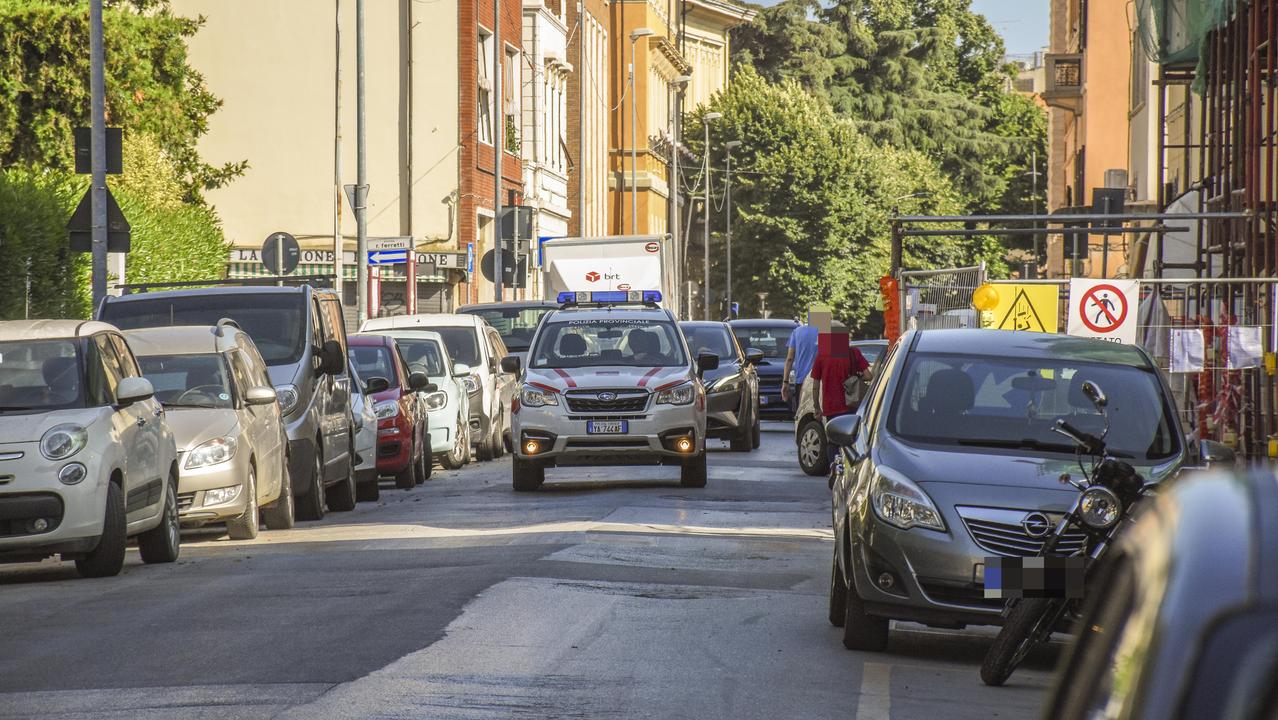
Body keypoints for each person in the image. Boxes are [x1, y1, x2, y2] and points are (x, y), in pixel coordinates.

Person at [781, 322, 818, 413]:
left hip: (802, 382)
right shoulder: (830, 331)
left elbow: (790, 358)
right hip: (823, 381)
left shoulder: (797, 332)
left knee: (802, 413)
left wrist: (785, 382)